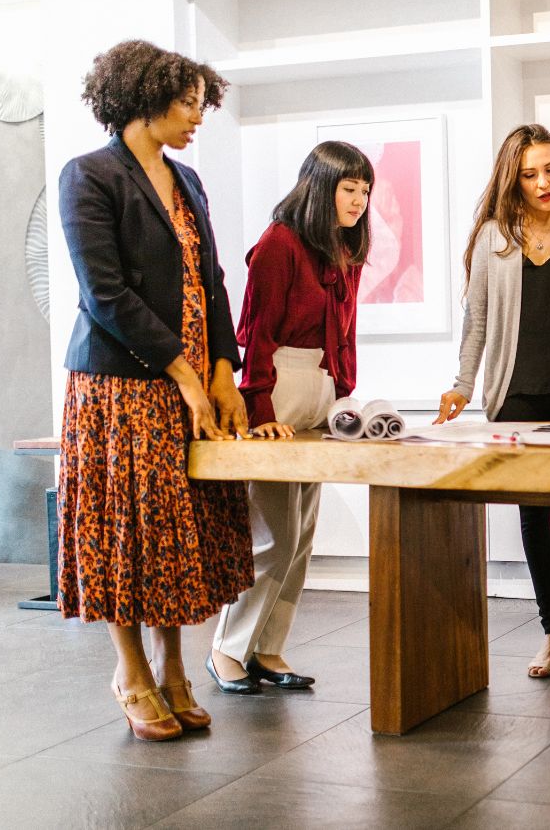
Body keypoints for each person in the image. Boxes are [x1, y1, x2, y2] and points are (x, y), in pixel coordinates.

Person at [57, 40, 252, 741]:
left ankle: (175, 666)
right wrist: (183, 372)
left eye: (203, 102)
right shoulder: (88, 176)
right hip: (121, 387)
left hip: (193, 383)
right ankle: (131, 669)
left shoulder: (188, 180)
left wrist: (224, 370)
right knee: (126, 536)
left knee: (180, 534)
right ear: (145, 94)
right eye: (188, 101)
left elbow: (213, 281)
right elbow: (103, 292)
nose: (198, 115)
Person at [435, 124, 550, 686]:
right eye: (530, 173)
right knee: (533, 515)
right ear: (512, 180)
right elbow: (478, 321)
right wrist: (463, 386)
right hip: (515, 396)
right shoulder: (496, 235)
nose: (544, 182)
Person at [207, 141, 372, 694]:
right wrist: (257, 409)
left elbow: (343, 337)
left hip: (319, 393)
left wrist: (344, 398)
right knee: (272, 533)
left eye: (365, 190)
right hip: (274, 388)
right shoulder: (280, 242)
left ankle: (268, 648)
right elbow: (255, 331)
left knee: (301, 535)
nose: (359, 200)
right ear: (320, 188)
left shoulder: (343, 250)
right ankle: (228, 650)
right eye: (349, 188)